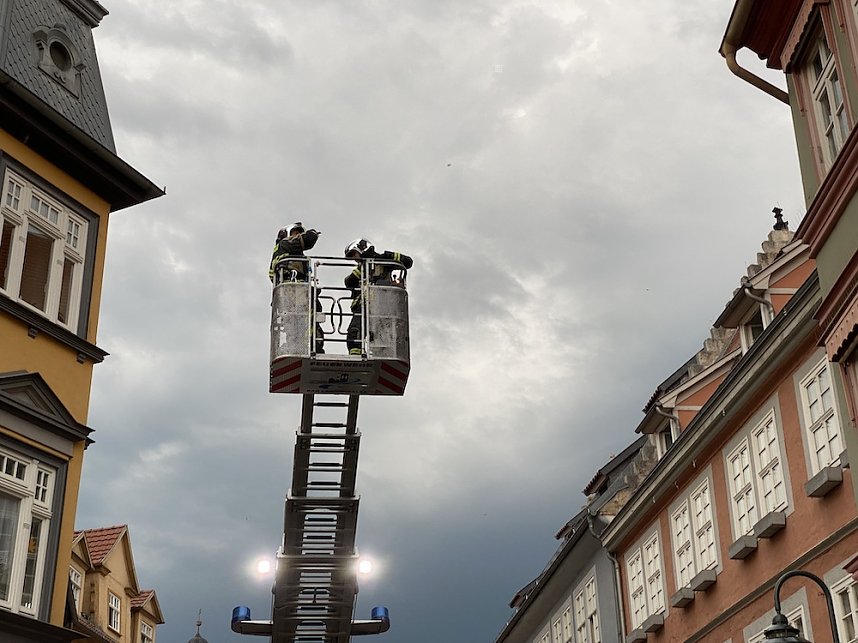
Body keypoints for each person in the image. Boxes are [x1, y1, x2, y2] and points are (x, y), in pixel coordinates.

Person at [343, 238, 413, 355]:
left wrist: (389, 257)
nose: (354, 259)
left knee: (381, 336)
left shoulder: (383, 261)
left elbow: (408, 262)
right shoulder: (361, 269)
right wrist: (362, 269)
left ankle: (381, 354)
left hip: (382, 306)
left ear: (361, 248)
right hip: (363, 306)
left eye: (354, 254)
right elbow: (348, 282)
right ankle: (355, 357)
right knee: (354, 332)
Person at [270, 222, 325, 353]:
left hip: (300, 291)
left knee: (310, 318)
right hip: (293, 290)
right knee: (295, 323)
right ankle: (300, 346)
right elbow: (307, 240)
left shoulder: (293, 254)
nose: (298, 235)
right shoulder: (284, 244)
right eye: (296, 233)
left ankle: (313, 346)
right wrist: (311, 233)